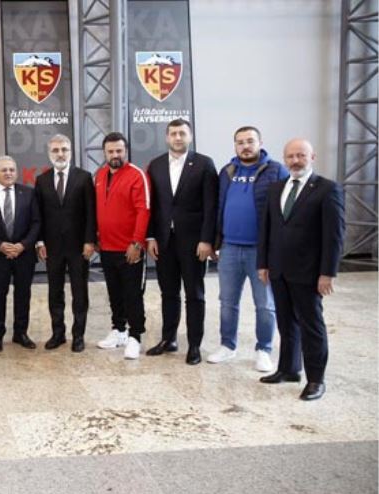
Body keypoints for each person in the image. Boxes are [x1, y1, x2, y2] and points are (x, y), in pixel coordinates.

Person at [257, 138, 344, 401]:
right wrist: (263, 263)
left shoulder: (327, 189)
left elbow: (334, 236)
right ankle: (289, 369)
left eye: (301, 155)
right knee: (286, 322)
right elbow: (267, 229)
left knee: (311, 326)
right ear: (284, 159)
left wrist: (327, 273)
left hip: (309, 272)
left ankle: (316, 380)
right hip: (278, 270)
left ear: (312, 157)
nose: (295, 161)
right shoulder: (276, 188)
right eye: (290, 156)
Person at [209, 126, 288, 371]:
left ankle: (264, 349)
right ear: (235, 145)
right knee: (227, 302)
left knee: (265, 304)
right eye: (240, 142)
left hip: (260, 251)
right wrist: (215, 241)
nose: (245, 146)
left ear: (260, 143)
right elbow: (218, 207)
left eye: (250, 141)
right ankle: (227, 345)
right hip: (230, 248)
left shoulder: (276, 170)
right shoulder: (227, 171)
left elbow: (286, 210)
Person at [145, 119, 219, 365]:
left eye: (182, 133)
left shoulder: (204, 164)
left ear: (190, 136)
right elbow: (152, 206)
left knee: (194, 294)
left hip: (194, 242)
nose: (178, 138)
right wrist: (151, 236)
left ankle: (194, 345)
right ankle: (169, 339)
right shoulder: (155, 165)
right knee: (168, 293)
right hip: (164, 241)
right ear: (167, 137)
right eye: (174, 133)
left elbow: (211, 206)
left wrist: (207, 240)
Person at [34, 134, 97, 352]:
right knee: (54, 292)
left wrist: (90, 240)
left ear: (70, 152)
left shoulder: (84, 177)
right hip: (52, 247)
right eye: (55, 150)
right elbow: (38, 215)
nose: (60, 154)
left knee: (80, 293)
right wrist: (40, 242)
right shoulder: (41, 180)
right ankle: (58, 333)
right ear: (49, 153)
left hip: (79, 246)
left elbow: (91, 212)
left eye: (64, 150)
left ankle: (78, 335)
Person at [94, 132, 151, 360]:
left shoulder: (137, 175)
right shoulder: (100, 175)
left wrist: (137, 243)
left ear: (126, 151)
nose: (115, 155)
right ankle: (118, 330)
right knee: (114, 293)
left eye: (119, 150)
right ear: (104, 153)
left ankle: (135, 336)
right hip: (107, 248)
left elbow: (143, 210)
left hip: (130, 248)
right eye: (110, 151)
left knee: (132, 294)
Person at [0, 156, 41, 352]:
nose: (8, 173)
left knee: (23, 294)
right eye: (3, 170)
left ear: (16, 172)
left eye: (12, 170)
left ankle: (21, 333)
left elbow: (36, 223)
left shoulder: (29, 193)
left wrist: (23, 245)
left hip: (24, 254)